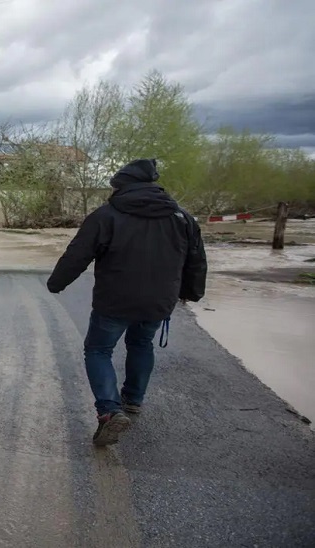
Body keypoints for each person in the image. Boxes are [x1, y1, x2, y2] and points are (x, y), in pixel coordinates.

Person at [46, 158, 207, 446]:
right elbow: (196, 259)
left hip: (115, 300)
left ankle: (109, 410)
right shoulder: (181, 218)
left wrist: (57, 283)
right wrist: (192, 292)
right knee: (142, 344)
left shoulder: (106, 215)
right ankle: (132, 400)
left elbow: (78, 254)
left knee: (98, 350)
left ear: (121, 186)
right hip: (159, 300)